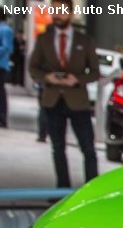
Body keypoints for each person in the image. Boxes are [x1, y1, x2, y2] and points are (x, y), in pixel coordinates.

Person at [29, 0, 100, 187]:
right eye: (53, 10)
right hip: (52, 100)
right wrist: (47, 77)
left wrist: (77, 79)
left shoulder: (85, 41)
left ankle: (92, 190)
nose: (56, 15)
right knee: (57, 148)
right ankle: (61, 190)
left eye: (60, 11)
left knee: (88, 148)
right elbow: (33, 68)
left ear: (70, 13)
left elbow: (94, 72)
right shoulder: (44, 39)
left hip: (78, 101)